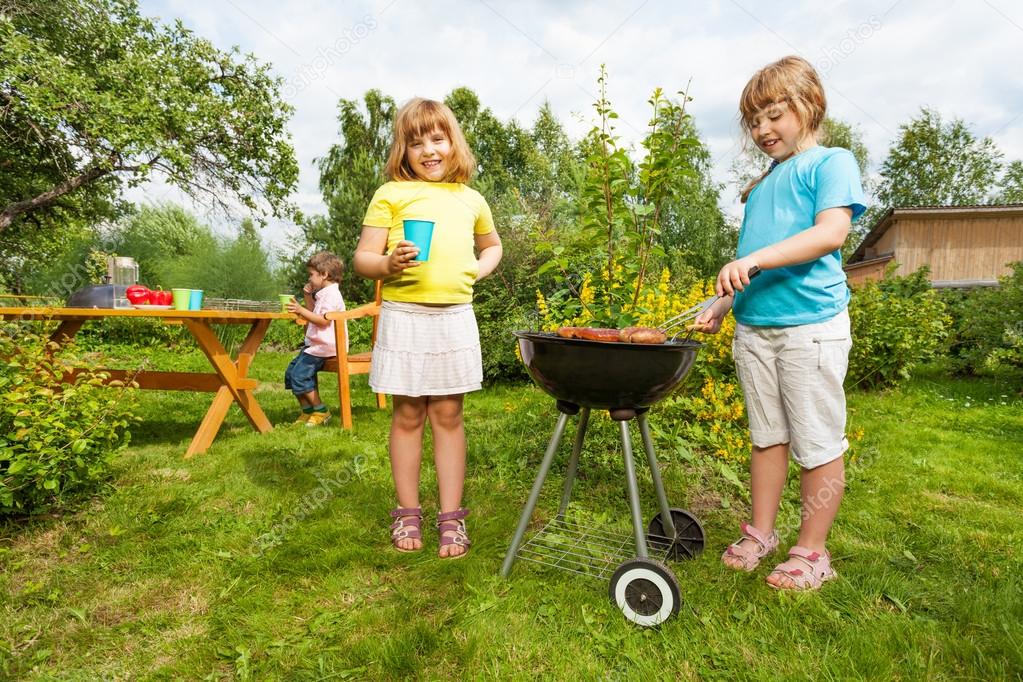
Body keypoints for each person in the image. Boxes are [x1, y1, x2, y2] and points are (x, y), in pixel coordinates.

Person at [692, 56, 866, 590]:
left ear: (808, 106)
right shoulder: (763, 185)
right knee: (767, 437)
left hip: (809, 325)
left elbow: (830, 234)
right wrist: (724, 303)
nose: (762, 129)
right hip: (756, 328)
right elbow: (753, 259)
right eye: (754, 121)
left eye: (774, 115)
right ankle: (761, 533)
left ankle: (812, 552)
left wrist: (756, 260)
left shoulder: (831, 161)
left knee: (817, 440)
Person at [353, 98, 503, 559]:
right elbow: (362, 259)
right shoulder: (391, 194)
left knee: (449, 415)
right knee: (408, 415)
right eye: (416, 142)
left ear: (453, 142)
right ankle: (408, 512)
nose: (428, 150)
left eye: (437, 139)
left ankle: (451, 519)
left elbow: (493, 246)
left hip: (454, 318)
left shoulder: (471, 199)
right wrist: (386, 262)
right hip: (404, 317)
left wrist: (474, 272)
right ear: (404, 150)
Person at [284, 251, 347, 427]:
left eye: (311, 275)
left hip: (325, 346)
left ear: (324, 274)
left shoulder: (332, 295)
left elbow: (322, 320)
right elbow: (314, 313)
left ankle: (320, 410)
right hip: (316, 345)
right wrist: (306, 297)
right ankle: (308, 411)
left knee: (300, 375)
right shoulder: (324, 294)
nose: (310, 279)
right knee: (291, 374)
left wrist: (299, 310)